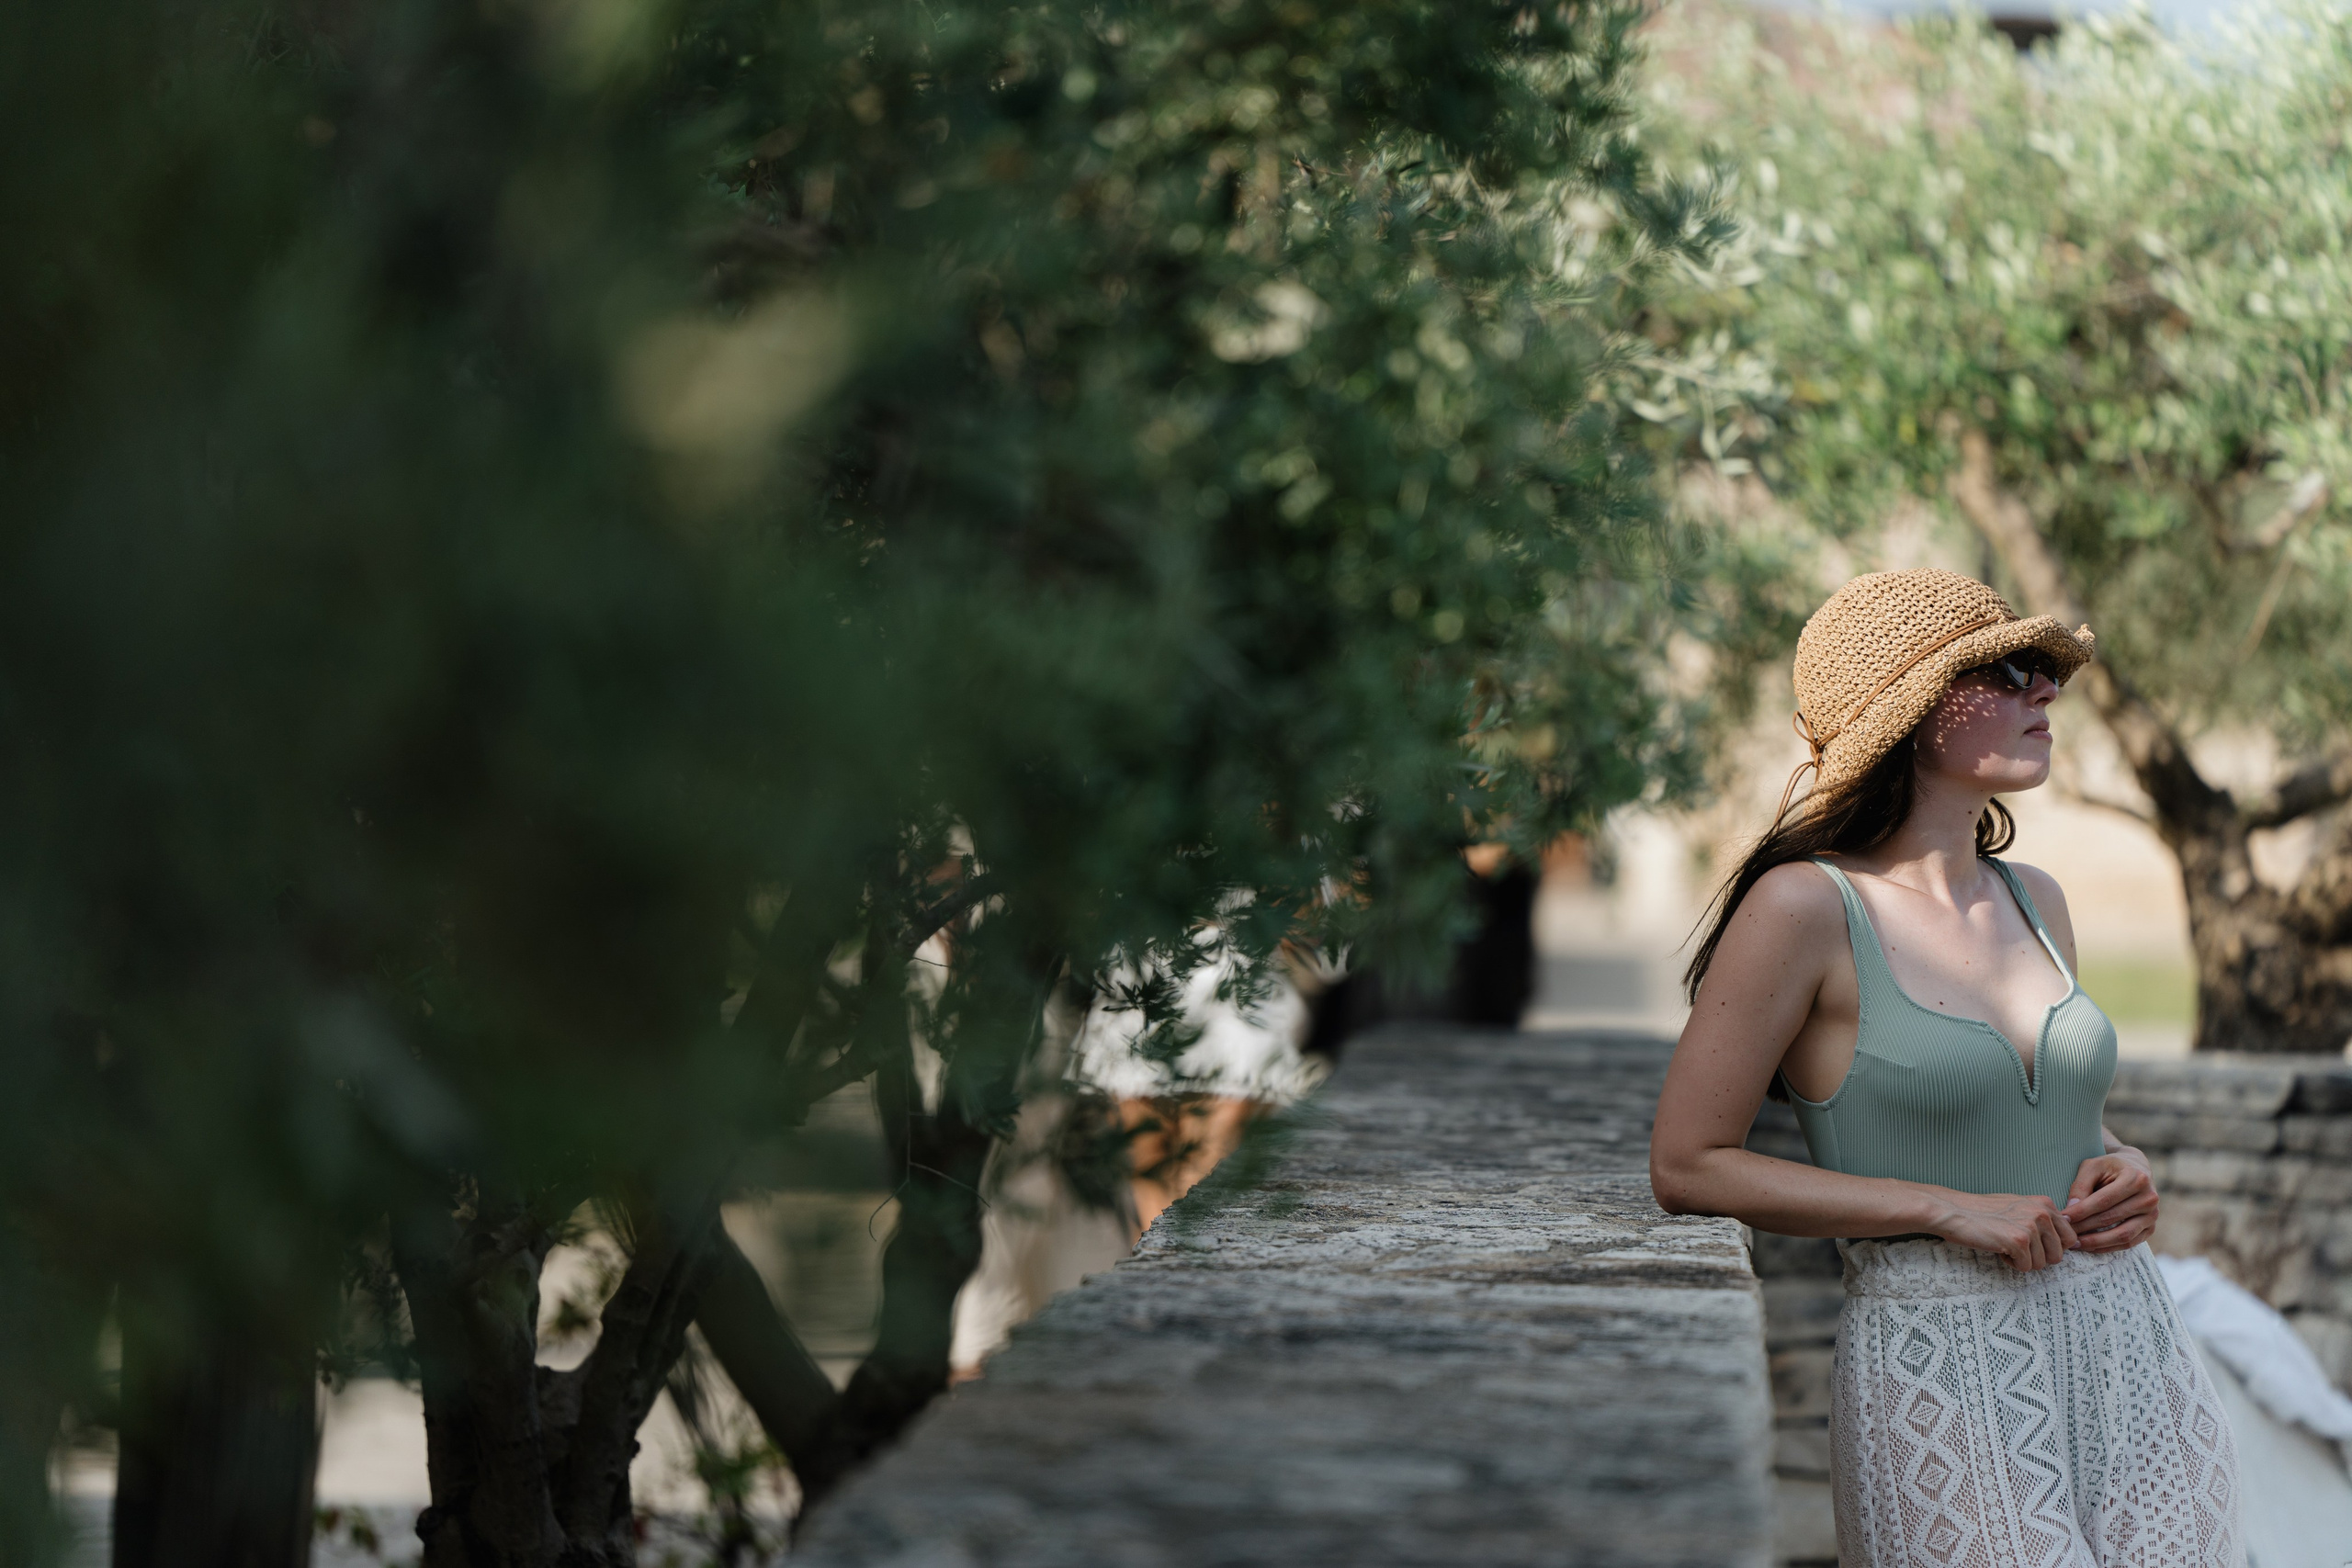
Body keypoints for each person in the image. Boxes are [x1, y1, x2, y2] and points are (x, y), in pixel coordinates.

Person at [1650, 569, 2243, 1567]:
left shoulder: (2037, 899)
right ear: (1913, 712)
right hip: (1938, 1363)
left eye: (2042, 671)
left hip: (2127, 1343)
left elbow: (2041, 1114)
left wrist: (2122, 1162)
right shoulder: (1802, 910)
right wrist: (1940, 1208)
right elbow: (1688, 1164)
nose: (2044, 692)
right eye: (2006, 672)